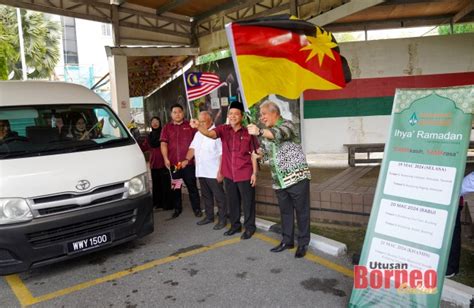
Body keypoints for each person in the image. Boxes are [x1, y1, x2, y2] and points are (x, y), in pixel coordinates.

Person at [248, 100, 311, 258]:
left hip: (296, 178)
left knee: (302, 212)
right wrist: (258, 154)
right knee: (285, 212)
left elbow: (279, 134)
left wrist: (259, 132)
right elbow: (265, 152)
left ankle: (303, 243)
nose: (262, 118)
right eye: (260, 115)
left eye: (264, 114)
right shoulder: (267, 132)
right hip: (279, 181)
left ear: (274, 112)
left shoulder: (288, 125)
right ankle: (287, 241)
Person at [190, 101, 259, 240]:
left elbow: (254, 154)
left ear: (242, 116)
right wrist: (198, 127)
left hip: (244, 173)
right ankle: (235, 226)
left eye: (236, 114)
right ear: (228, 115)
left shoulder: (248, 132)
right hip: (229, 174)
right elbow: (209, 134)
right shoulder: (223, 129)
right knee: (233, 202)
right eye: (231, 113)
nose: (233, 116)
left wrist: (254, 173)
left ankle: (250, 228)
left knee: (247, 202)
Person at [185, 111, 227, 229]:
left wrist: (221, 171)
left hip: (213, 171)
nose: (201, 124)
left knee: (219, 197)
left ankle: (222, 219)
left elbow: (222, 154)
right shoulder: (198, 134)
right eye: (200, 121)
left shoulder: (216, 133)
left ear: (211, 120)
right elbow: (192, 148)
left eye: (204, 121)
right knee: (206, 196)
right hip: (201, 170)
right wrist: (186, 160)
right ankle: (209, 216)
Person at [161, 104, 202, 219]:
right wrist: (165, 158)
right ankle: (177, 209)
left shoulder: (190, 126)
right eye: (174, 112)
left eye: (179, 112)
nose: (177, 114)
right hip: (175, 164)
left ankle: (197, 208)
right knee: (176, 187)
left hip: (188, 163)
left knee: (192, 186)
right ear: (171, 114)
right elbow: (163, 143)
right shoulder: (167, 128)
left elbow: (198, 142)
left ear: (183, 113)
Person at [141, 116, 172, 211]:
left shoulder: (165, 134)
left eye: (157, 121)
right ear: (150, 124)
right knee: (156, 185)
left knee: (165, 184)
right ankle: (157, 203)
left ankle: (167, 204)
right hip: (154, 164)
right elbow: (143, 148)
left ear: (160, 122)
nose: (155, 123)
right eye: (153, 122)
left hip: (164, 163)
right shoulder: (149, 137)